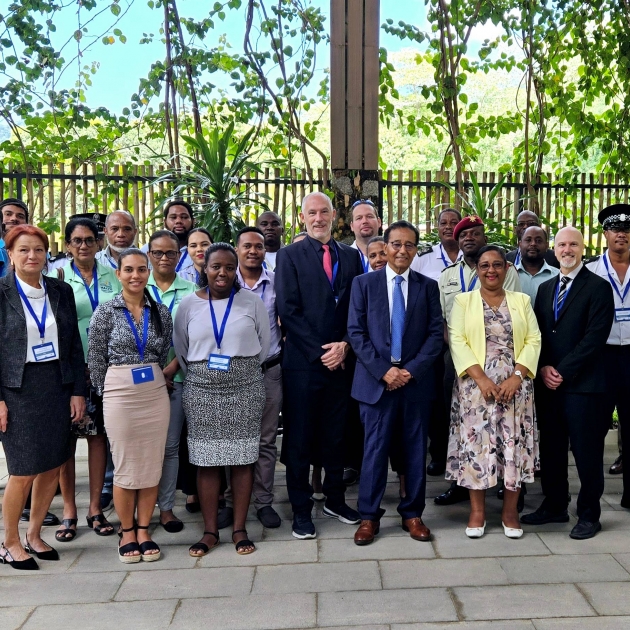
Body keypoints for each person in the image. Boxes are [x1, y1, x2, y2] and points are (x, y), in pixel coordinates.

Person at [348, 220, 443, 545]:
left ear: (416, 250)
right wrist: (383, 371)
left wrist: (409, 371)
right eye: (396, 244)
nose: (403, 250)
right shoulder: (364, 284)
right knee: (373, 451)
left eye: (409, 245)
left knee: (415, 450)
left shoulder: (427, 286)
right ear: (385, 247)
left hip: (414, 383)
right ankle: (369, 517)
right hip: (376, 384)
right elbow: (356, 333)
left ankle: (412, 514)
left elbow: (434, 335)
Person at [275, 191, 364, 539]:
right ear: (302, 217)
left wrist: (344, 345)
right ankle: (301, 509)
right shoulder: (289, 255)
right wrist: (320, 352)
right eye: (311, 212)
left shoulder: (350, 257)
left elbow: (359, 308)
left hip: (342, 362)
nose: (318, 218)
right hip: (304, 364)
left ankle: (335, 499)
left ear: (333, 215)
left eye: (323, 211)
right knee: (299, 438)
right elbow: (288, 310)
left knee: (336, 436)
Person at [174, 243, 270, 556]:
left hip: (245, 387)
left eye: (230, 267)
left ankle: (240, 528)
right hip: (201, 390)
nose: (223, 273)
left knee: (243, 459)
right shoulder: (188, 304)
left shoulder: (251, 302)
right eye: (216, 266)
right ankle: (210, 531)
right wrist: (205, 375)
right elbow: (182, 349)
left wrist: (239, 371)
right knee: (206, 461)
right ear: (205, 267)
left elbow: (263, 346)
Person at [0, 225, 86, 570]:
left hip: (57, 383)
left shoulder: (60, 291)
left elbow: (74, 345)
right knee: (22, 470)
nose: (32, 256)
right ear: (10, 255)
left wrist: (78, 390)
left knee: (53, 465)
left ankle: (34, 535)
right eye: (23, 250)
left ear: (47, 254)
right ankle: (8, 541)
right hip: (16, 389)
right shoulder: (2, 292)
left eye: (38, 249)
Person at [522, 226, 614, 540]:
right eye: (562, 244)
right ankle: (555, 505)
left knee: (587, 453)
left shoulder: (599, 288)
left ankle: (589, 514)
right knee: (552, 449)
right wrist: (544, 366)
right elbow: (538, 335)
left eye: (573, 244)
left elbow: (595, 338)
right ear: (554, 248)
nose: (567, 250)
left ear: (583, 247)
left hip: (584, 386)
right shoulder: (546, 288)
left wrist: (562, 370)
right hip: (549, 386)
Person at [447, 245, 541, 539]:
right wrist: (483, 380)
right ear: (477, 270)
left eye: (497, 265)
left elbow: (534, 339)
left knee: (514, 446)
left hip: (516, 386)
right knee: (478, 445)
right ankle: (477, 511)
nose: (491, 270)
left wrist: (517, 376)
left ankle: (510, 511)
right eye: (485, 265)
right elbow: (457, 340)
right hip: (475, 388)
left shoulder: (521, 300)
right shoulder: (463, 301)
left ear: (507, 268)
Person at [88, 248, 173, 562]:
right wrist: (106, 390)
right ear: (118, 274)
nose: (135, 275)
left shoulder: (160, 311)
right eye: (129, 270)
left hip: (153, 392)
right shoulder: (106, 311)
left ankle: (143, 529)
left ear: (148, 272)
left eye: (141, 269)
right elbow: (95, 358)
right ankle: (126, 532)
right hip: (119, 393)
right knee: (124, 465)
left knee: (151, 465)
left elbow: (162, 352)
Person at [434, 215, 522, 506]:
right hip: (458, 357)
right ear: (458, 243)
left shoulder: (501, 269)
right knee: (461, 422)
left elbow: (513, 315)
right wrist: (461, 349)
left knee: (502, 422)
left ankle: (505, 482)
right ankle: (463, 482)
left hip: (501, 356)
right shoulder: (447, 275)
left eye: (475, 233)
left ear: (484, 238)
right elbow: (443, 320)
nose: (469, 238)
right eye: (463, 235)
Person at [56, 218, 122, 542]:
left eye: (89, 240)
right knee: (67, 440)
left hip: (105, 367)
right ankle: (70, 510)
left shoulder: (113, 274)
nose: (84, 245)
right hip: (70, 369)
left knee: (99, 437)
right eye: (77, 240)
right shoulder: (56, 276)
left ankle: (95, 508)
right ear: (68, 244)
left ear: (98, 243)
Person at [146, 230, 197, 533]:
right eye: (158, 253)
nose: (165, 258)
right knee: (143, 448)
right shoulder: (138, 286)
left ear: (180, 256)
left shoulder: (192, 291)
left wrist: (169, 369)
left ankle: (166, 508)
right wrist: (155, 372)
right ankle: (141, 507)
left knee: (170, 448)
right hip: (142, 383)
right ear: (149, 254)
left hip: (177, 379)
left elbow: (195, 337)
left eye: (171, 253)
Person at [234, 226, 283, 528]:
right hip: (233, 376)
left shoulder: (277, 283)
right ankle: (229, 500)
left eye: (259, 246)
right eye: (247, 246)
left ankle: (264, 502)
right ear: (237, 249)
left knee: (266, 441)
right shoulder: (224, 283)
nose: (253, 251)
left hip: (269, 370)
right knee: (234, 440)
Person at [585, 205, 630, 507]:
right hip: (601, 358)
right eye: (615, 229)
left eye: (626, 230)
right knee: (594, 428)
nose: (621, 235)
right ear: (606, 234)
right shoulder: (591, 272)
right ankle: (591, 498)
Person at [142, 200, 195, 277]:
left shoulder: (198, 251)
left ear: (193, 221)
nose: (178, 221)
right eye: (173, 217)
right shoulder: (148, 249)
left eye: (184, 217)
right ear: (165, 222)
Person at [411, 208, 462, 280]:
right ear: (438, 228)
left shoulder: (471, 256)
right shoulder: (423, 257)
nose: (448, 227)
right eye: (443, 223)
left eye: (453, 223)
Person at [515, 226, 559, 304]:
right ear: (520, 244)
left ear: (546, 245)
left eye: (538, 241)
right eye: (528, 240)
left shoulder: (558, 276)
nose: (533, 244)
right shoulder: (509, 275)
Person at [349, 199, 382, 274]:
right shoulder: (343, 258)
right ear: (352, 226)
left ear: (379, 222)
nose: (364, 221)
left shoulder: (392, 254)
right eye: (359, 218)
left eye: (369, 216)